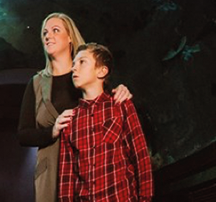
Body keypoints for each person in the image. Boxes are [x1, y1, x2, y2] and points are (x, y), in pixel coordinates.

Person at [17, 13, 132, 202]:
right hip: (52, 168)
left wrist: (120, 91)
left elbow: (107, 106)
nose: (48, 36)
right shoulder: (36, 83)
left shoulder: (86, 73)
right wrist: (52, 131)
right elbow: (23, 134)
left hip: (90, 165)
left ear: (70, 37)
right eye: (44, 33)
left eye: (55, 30)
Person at [58, 43, 153, 201]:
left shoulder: (120, 105)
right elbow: (66, 176)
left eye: (82, 62)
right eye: (73, 64)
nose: (74, 68)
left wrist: (145, 198)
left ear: (102, 71)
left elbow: (140, 155)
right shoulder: (70, 119)